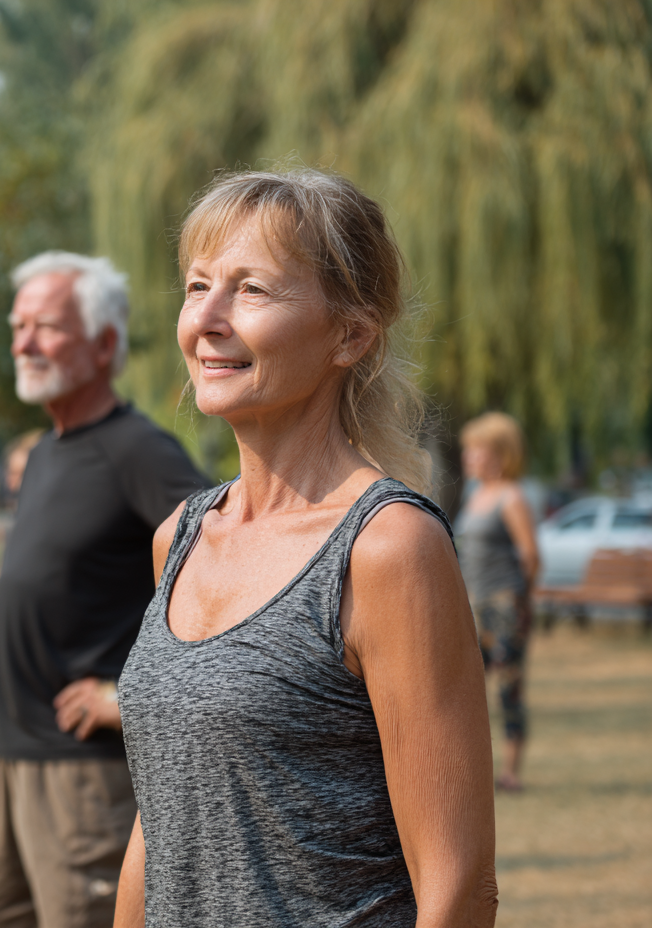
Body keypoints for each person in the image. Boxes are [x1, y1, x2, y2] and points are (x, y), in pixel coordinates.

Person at [114, 169, 498, 927]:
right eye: (197, 287)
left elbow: (459, 884)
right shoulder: (180, 538)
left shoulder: (388, 548)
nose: (208, 319)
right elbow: (161, 822)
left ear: (351, 335)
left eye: (252, 290)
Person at [0, 252, 209, 928]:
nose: (23, 342)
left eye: (45, 327)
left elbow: (227, 569)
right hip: (13, 754)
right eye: (18, 326)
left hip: (85, 770)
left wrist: (129, 694)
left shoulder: (137, 450)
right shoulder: (44, 451)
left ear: (104, 345)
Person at [458, 412, 539, 792]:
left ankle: (510, 773)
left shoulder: (512, 497)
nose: (469, 456)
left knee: (508, 686)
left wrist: (520, 602)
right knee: (466, 688)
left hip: (505, 606)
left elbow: (531, 555)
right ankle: (473, 768)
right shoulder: (475, 496)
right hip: (474, 607)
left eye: (478, 449)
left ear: (500, 454)